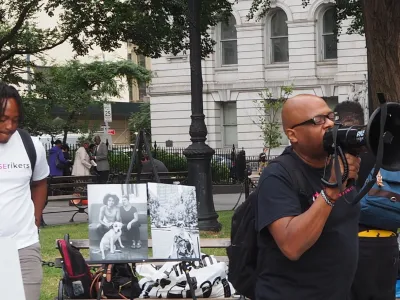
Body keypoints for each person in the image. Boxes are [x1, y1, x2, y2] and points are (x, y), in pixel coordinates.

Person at [255, 94, 361, 300]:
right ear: (292, 135)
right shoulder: (278, 176)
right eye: (318, 120)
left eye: (331, 116)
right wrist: (331, 191)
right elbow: (292, 246)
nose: (330, 124)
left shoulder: (339, 164)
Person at [334, 101, 399, 300]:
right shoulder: (386, 150)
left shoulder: (341, 154)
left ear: (343, 121)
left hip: (354, 242)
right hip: (388, 244)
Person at [0, 82, 49, 300]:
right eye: (3, 119)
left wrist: (36, 218)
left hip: (23, 247)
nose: (10, 126)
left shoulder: (31, 145)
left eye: (15, 120)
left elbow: (40, 182)